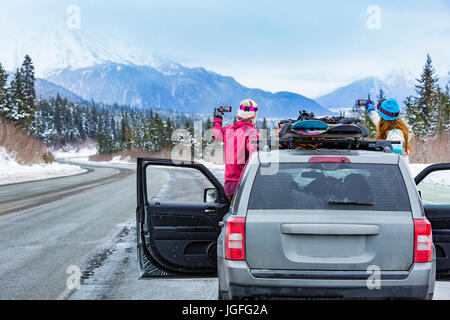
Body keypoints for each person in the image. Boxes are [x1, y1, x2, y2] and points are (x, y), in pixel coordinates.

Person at [213, 99, 260, 201]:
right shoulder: (251, 132)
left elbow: (216, 134)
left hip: (229, 185)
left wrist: (218, 118)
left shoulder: (229, 129)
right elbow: (254, 156)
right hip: (243, 183)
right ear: (254, 115)